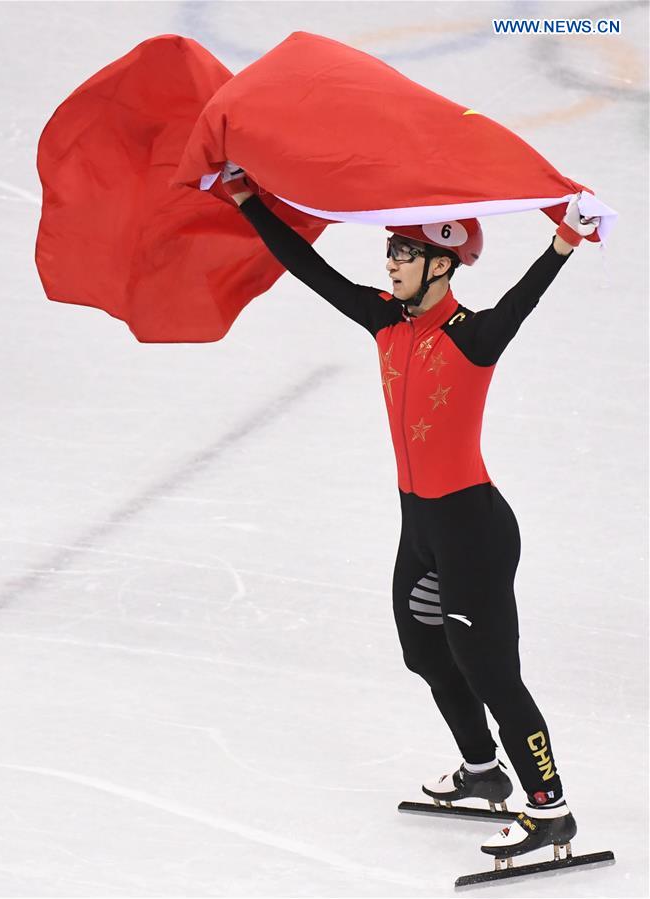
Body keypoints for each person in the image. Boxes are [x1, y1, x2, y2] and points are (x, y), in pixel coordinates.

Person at [220, 163, 599, 860]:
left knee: (492, 674)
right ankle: (483, 769)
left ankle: (551, 808)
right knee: (424, 652)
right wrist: (247, 199)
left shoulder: (473, 335)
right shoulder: (383, 321)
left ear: (441, 264)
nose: (390, 262)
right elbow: (308, 268)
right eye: (390, 249)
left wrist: (565, 242)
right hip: (421, 527)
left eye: (404, 251)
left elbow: (524, 300)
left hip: (474, 532)